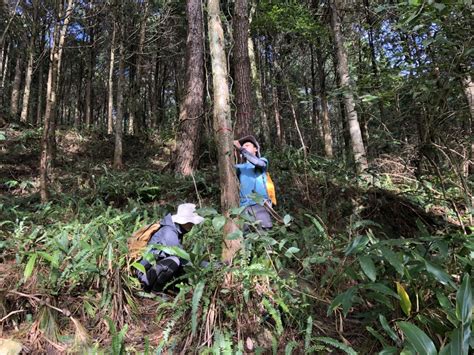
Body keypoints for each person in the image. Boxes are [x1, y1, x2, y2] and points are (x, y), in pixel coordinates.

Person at [136, 203, 204, 292]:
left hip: (152, 269)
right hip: (144, 276)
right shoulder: (169, 232)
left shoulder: (176, 230)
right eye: (190, 222)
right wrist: (209, 265)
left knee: (176, 262)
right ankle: (155, 290)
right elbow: (183, 258)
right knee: (174, 260)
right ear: (183, 221)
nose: (192, 224)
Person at [233, 135, 273, 230]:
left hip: (260, 204)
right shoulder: (239, 167)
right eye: (243, 146)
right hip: (244, 208)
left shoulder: (262, 161)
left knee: (264, 235)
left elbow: (258, 163)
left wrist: (240, 148)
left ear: (255, 149)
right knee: (247, 238)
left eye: (247, 145)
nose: (244, 147)